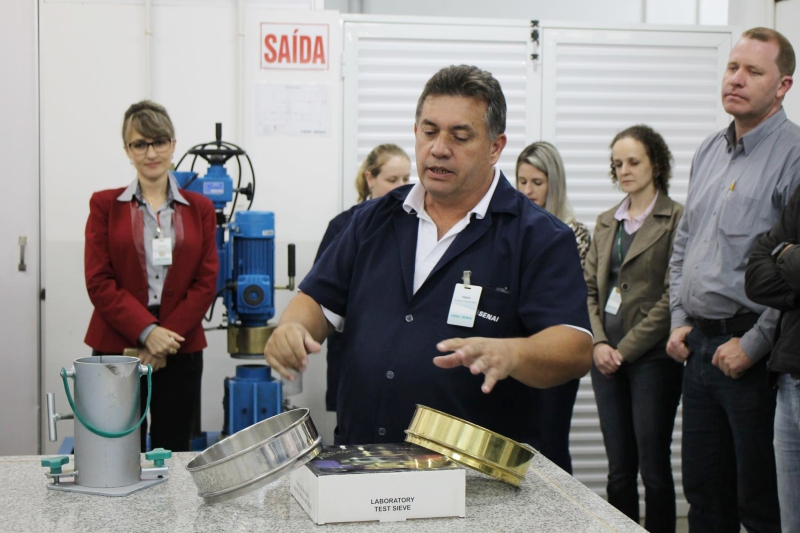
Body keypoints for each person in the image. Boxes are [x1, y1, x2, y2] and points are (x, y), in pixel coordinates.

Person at [265, 64, 593, 446]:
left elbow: (575, 349)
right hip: (363, 459)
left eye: (460, 136)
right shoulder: (372, 221)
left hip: (471, 477)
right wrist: (292, 328)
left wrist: (514, 353)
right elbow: (316, 302)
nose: (439, 148)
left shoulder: (539, 236)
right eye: (430, 131)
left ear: (495, 148)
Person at [667, 27, 800, 532]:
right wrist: (679, 319)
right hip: (698, 348)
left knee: (759, 503)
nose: (737, 79)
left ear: (783, 85)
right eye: (732, 68)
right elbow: (685, 244)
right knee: (703, 496)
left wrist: (754, 343)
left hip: (752, 358)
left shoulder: (794, 156)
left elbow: (792, 274)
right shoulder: (708, 150)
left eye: (753, 71)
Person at [84, 100, 219, 452]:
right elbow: (99, 280)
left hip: (180, 346)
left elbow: (206, 280)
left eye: (159, 141)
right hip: (117, 344)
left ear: (173, 144)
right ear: (128, 151)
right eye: (140, 144)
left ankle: (165, 512)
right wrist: (147, 332)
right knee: (114, 452)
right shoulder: (104, 205)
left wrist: (165, 339)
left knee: (170, 452)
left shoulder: (201, 208)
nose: (151, 152)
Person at [585, 125, 684, 532]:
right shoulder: (607, 221)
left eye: (633, 161)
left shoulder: (676, 217)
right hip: (605, 358)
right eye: (617, 164)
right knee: (618, 469)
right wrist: (599, 343)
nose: (624, 170)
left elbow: (672, 293)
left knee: (653, 467)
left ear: (656, 164)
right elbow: (590, 288)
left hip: (653, 359)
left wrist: (624, 349)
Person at [316, 144, 411, 411]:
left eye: (406, 179)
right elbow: (322, 295)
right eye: (392, 180)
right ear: (370, 178)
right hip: (354, 348)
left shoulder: (414, 225)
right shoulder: (342, 226)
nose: (401, 186)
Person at [515, 141, 589, 474]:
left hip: (555, 351)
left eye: (537, 183)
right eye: (522, 181)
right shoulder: (513, 231)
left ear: (553, 184)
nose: (528, 191)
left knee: (552, 443)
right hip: (519, 351)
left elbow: (572, 302)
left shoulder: (573, 233)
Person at [745, 189, 800, 533]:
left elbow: (773, 256)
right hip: (788, 371)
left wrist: (785, 254)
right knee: (790, 523)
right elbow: (755, 275)